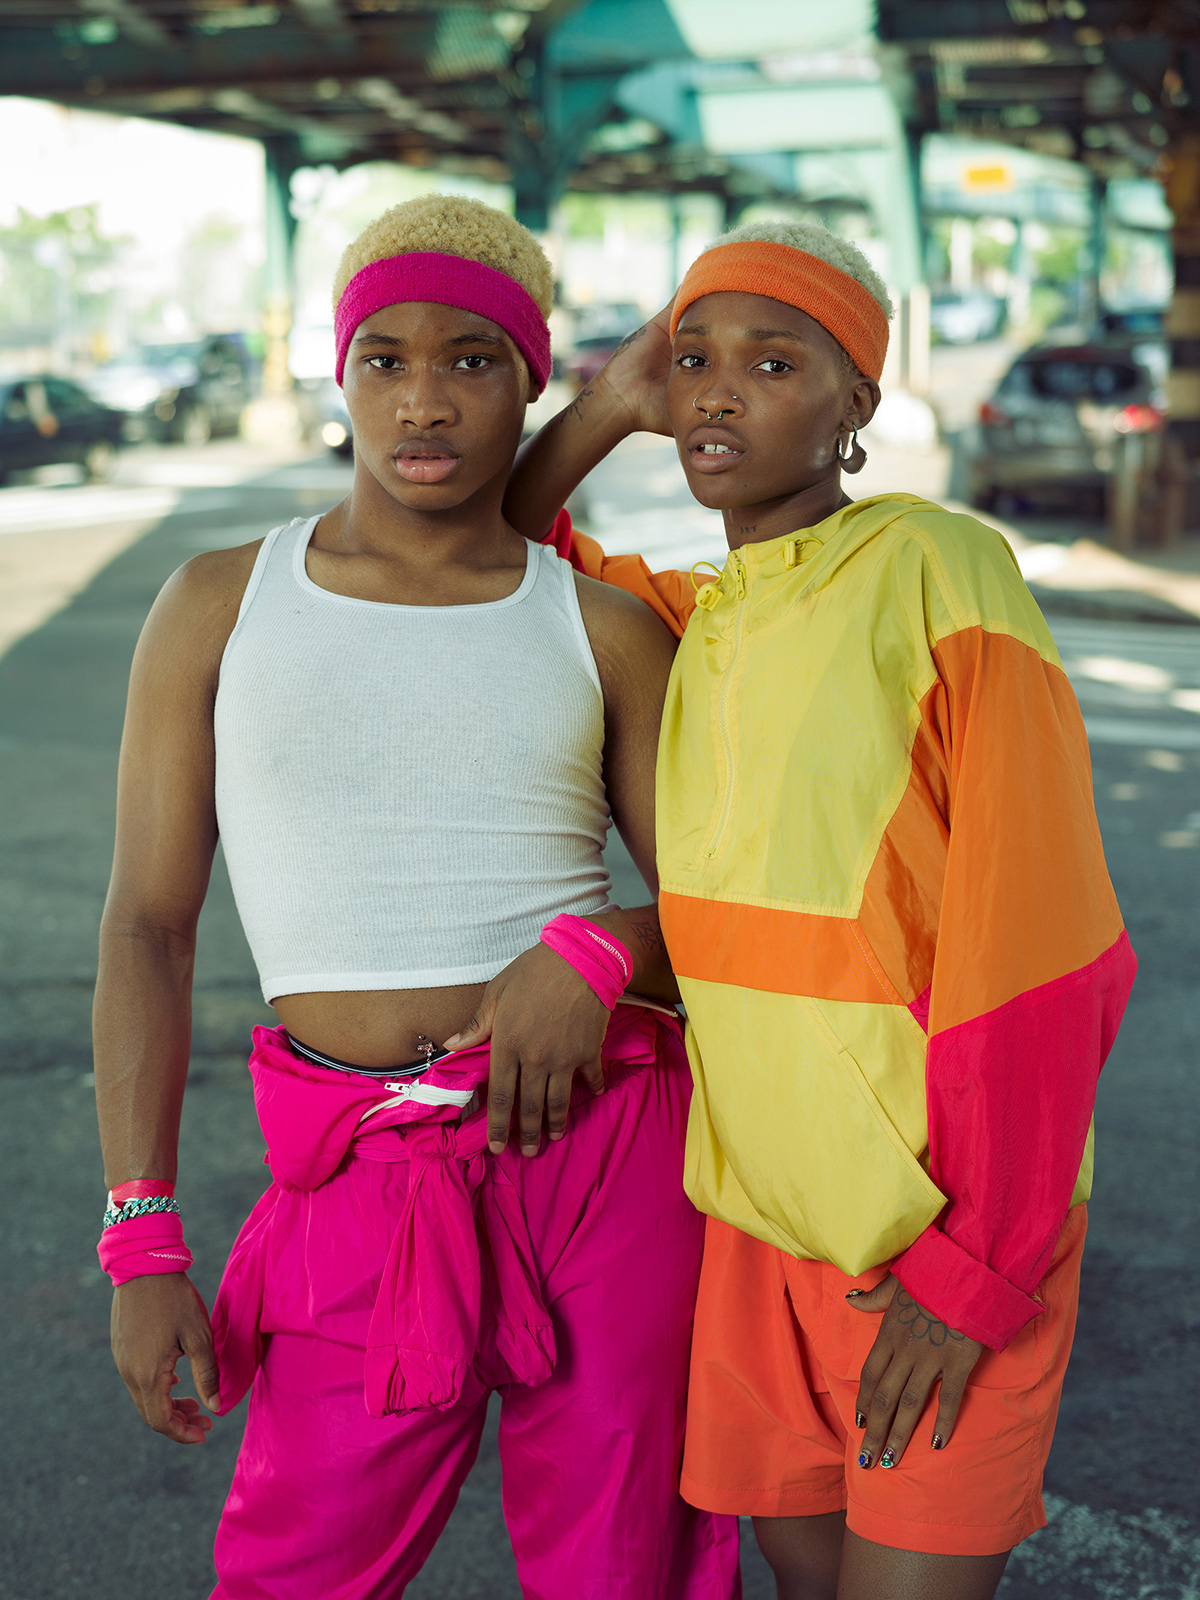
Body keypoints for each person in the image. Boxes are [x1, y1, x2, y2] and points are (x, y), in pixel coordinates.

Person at [93, 194, 740, 1600]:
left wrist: (596, 949)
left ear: (528, 382)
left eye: (472, 360)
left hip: (603, 1152)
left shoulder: (601, 627)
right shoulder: (219, 604)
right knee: (294, 1570)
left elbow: (730, 921)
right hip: (357, 1172)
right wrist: (141, 1235)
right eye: (384, 359)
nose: (423, 401)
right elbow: (147, 927)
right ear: (340, 374)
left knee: (622, 1570)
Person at [505, 219, 1137, 1600]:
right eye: (695, 362)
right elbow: (503, 544)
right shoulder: (700, 618)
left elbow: (1047, 952)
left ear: (859, 401)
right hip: (756, 1231)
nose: (718, 394)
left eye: (774, 363)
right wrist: (614, 397)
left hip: (935, 1237)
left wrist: (974, 1273)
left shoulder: (938, 566)